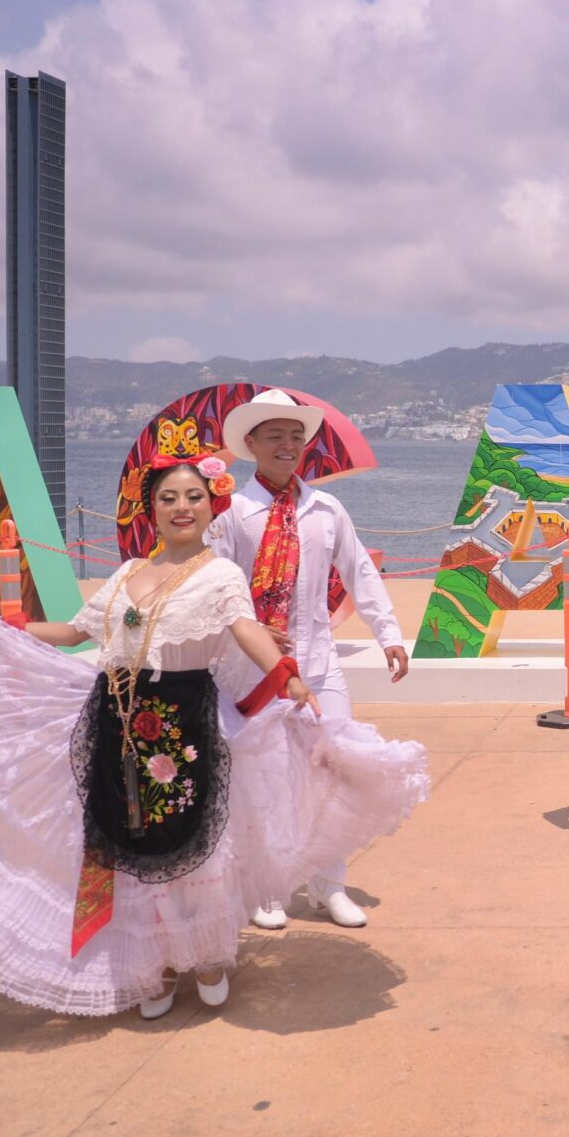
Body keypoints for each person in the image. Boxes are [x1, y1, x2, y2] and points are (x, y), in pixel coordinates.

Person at [0, 458, 429, 1019]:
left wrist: (286, 675)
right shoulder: (126, 574)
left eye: (194, 496)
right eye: (169, 498)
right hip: (115, 719)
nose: (182, 507)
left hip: (185, 721)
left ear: (211, 507)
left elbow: (244, 629)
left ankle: (211, 955)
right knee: (132, 846)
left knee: (192, 842)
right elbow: (74, 632)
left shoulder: (220, 573)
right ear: (152, 510)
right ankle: (159, 964)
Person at [207, 389, 409, 931]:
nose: (288, 446)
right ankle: (268, 888)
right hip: (251, 669)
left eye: (296, 437)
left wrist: (388, 632)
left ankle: (329, 885)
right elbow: (211, 588)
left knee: (335, 769)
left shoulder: (326, 508)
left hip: (319, 663)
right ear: (250, 444)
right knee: (264, 778)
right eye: (275, 436)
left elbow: (359, 569)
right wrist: (247, 628)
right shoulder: (230, 513)